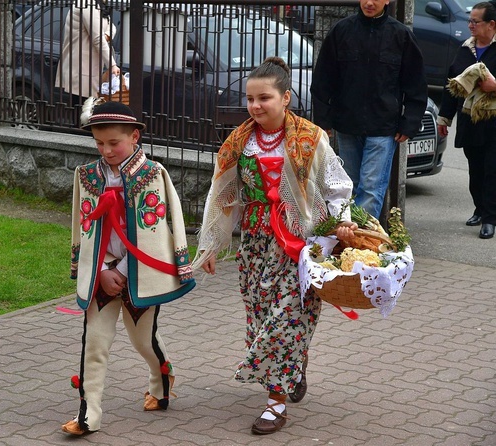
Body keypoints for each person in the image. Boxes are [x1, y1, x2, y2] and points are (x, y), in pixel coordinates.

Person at [192, 57, 357, 435]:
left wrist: (341, 223)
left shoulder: (312, 138)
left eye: (263, 98)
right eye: (250, 98)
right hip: (255, 243)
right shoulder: (239, 141)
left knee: (286, 318)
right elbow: (224, 195)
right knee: (261, 317)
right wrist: (212, 245)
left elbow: (336, 188)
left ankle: (275, 403)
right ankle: (292, 366)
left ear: (285, 98)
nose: (254, 106)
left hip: (299, 243)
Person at [61, 101, 196, 436]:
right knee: (95, 343)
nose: (106, 150)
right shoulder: (87, 177)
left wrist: (121, 269)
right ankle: (88, 413)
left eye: (114, 143)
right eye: (99, 143)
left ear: (134, 137)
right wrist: (101, 269)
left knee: (143, 341)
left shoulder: (152, 176)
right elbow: (83, 227)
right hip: (101, 276)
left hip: (139, 276)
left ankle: (161, 380)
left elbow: (157, 230)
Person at [310, 0, 428, 219]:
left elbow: (416, 84)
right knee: (348, 186)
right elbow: (323, 79)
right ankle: (350, 241)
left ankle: (363, 244)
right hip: (347, 125)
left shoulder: (400, 35)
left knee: (372, 189)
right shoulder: (342, 31)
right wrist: (324, 121)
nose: (369, 3)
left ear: (388, 1)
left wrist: (409, 122)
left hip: (383, 128)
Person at [437, 1, 496, 240]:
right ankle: (481, 209)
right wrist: (444, 118)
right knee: (476, 168)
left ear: (492, 24)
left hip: (494, 121)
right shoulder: (465, 49)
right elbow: (452, 86)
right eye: (469, 20)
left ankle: (490, 219)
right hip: (470, 120)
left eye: (475, 21)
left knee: (492, 169)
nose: (470, 25)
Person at [55, 0, 120, 105]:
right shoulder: (87, 4)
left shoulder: (98, 6)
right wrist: (112, 65)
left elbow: (111, 26)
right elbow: (97, 38)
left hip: (89, 67)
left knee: (87, 111)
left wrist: (106, 35)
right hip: (81, 67)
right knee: (83, 111)